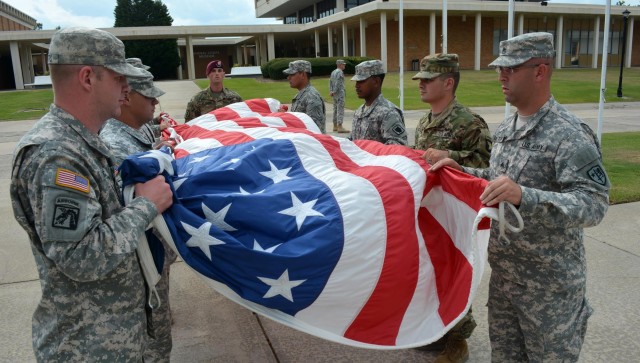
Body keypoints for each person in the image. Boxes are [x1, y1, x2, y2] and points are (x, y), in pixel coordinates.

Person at [430, 32, 610, 362]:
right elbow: (497, 180)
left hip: (550, 290)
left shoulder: (569, 133)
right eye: (500, 68)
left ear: (540, 71)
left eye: (511, 69)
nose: (501, 76)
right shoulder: (509, 126)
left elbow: (594, 203)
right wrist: (462, 171)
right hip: (505, 283)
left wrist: (524, 197)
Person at [9, 27, 174, 362]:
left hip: (116, 338)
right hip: (87, 348)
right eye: (118, 78)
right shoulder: (56, 154)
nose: (127, 89)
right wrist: (146, 205)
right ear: (87, 77)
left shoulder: (84, 142)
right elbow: (82, 256)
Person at [412, 53, 492, 362]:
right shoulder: (424, 121)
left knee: (456, 270)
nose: (421, 85)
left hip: (457, 214)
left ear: (448, 83)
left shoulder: (468, 121)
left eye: (428, 80)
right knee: (433, 270)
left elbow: (487, 166)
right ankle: (438, 330)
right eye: (420, 79)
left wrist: (452, 156)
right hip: (433, 210)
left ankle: (458, 338)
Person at [100, 67, 177, 362]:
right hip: (139, 265)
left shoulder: (130, 135)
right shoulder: (116, 144)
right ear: (129, 97)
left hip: (149, 261)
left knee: (158, 342)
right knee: (153, 348)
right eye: (149, 97)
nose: (155, 103)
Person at [350, 59, 407, 145]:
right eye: (356, 82)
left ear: (376, 82)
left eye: (361, 81)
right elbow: (353, 140)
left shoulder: (388, 113)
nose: (357, 85)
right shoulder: (359, 112)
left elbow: (398, 146)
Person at [282, 59, 326, 133]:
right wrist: (286, 116)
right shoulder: (302, 95)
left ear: (302, 75)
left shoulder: (312, 97)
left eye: (292, 74)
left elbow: (314, 130)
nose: (288, 78)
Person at [329, 59, 349, 133]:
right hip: (339, 93)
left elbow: (330, 82)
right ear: (340, 65)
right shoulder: (340, 72)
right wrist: (334, 91)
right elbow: (338, 83)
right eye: (343, 64)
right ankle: (340, 126)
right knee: (340, 109)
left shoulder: (333, 72)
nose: (344, 65)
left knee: (335, 109)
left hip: (334, 94)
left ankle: (335, 126)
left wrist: (331, 91)